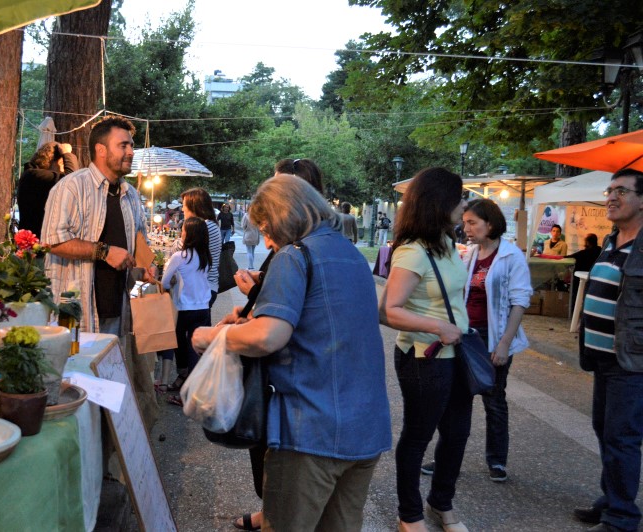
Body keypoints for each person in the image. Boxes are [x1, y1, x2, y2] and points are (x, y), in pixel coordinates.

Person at [192, 174, 392, 532]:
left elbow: (268, 336)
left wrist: (210, 336)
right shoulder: (349, 253)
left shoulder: (295, 254)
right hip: (366, 429)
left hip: (310, 431)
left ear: (280, 217)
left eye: (265, 228)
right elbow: (322, 323)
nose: (267, 241)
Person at [230, 157, 334, 532]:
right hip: (292, 382)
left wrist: (217, 335)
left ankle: (276, 514)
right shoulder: (303, 246)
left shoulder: (298, 251)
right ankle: (270, 510)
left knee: (284, 459)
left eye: (278, 187)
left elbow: (278, 328)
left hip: (292, 381)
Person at [41, 114, 157, 426]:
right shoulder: (71, 187)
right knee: (76, 390)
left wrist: (147, 266)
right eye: (124, 145)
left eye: (131, 146)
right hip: (74, 311)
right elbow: (52, 240)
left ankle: (107, 450)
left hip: (117, 309)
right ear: (101, 150)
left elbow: (140, 240)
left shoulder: (130, 194)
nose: (131, 152)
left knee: (108, 390)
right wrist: (104, 251)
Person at [381, 167, 470, 532]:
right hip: (424, 357)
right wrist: (437, 326)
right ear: (440, 203)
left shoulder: (447, 243)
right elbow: (388, 311)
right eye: (460, 198)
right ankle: (410, 514)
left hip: (457, 355)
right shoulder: (412, 251)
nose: (464, 205)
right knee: (418, 436)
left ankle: (441, 503)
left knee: (457, 434)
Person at [422, 199, 531, 483]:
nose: (466, 228)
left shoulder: (511, 256)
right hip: (466, 335)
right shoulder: (469, 253)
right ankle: (447, 457)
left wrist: (504, 343)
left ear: (490, 224)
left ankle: (497, 460)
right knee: (457, 398)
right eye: (465, 222)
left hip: (493, 336)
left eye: (472, 223)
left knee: (494, 398)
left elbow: (520, 301)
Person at [574, 168, 643, 532]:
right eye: (610, 190)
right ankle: (612, 499)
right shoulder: (611, 240)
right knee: (605, 431)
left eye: (622, 191)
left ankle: (621, 518)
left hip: (629, 360)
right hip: (602, 357)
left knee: (621, 437)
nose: (612, 197)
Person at [161, 217, 212, 407]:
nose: (181, 233)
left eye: (183, 230)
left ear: (189, 234)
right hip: (203, 307)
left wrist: (172, 284)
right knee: (194, 349)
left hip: (184, 308)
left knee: (177, 342)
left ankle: (184, 384)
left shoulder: (179, 256)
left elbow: (164, 282)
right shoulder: (205, 256)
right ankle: (189, 389)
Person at [18, 141, 79, 238]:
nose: (62, 170)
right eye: (62, 164)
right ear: (53, 160)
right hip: (36, 243)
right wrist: (67, 154)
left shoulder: (33, 176)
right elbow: (73, 182)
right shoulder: (34, 175)